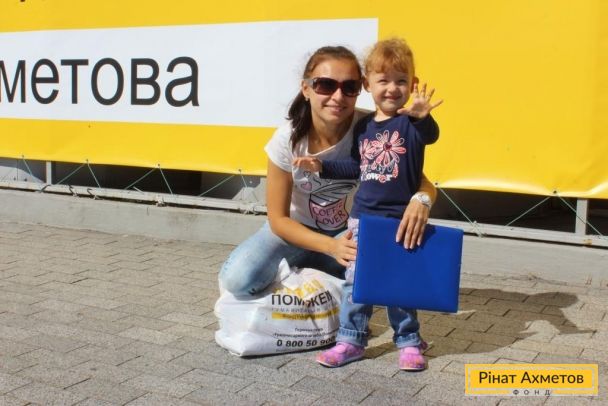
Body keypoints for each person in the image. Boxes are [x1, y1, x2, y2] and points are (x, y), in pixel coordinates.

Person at [218, 45, 436, 300]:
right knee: (238, 279)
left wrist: (421, 200)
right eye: (325, 85)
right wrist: (330, 247)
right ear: (306, 88)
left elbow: (419, 180)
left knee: (377, 272)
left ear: (361, 88)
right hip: (295, 233)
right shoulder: (287, 139)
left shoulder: (370, 128)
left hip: (349, 232)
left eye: (349, 87)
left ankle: (324, 280)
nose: (338, 96)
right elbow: (278, 220)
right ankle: (316, 271)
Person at [293, 37, 442, 370]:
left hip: (402, 221)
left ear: (413, 85)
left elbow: (431, 135)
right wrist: (322, 167)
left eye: (401, 81)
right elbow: (356, 168)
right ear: (367, 85)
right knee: (357, 282)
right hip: (362, 221)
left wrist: (422, 117)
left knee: (399, 284)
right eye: (383, 80)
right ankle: (351, 340)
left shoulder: (412, 124)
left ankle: (409, 341)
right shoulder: (363, 127)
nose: (392, 88)